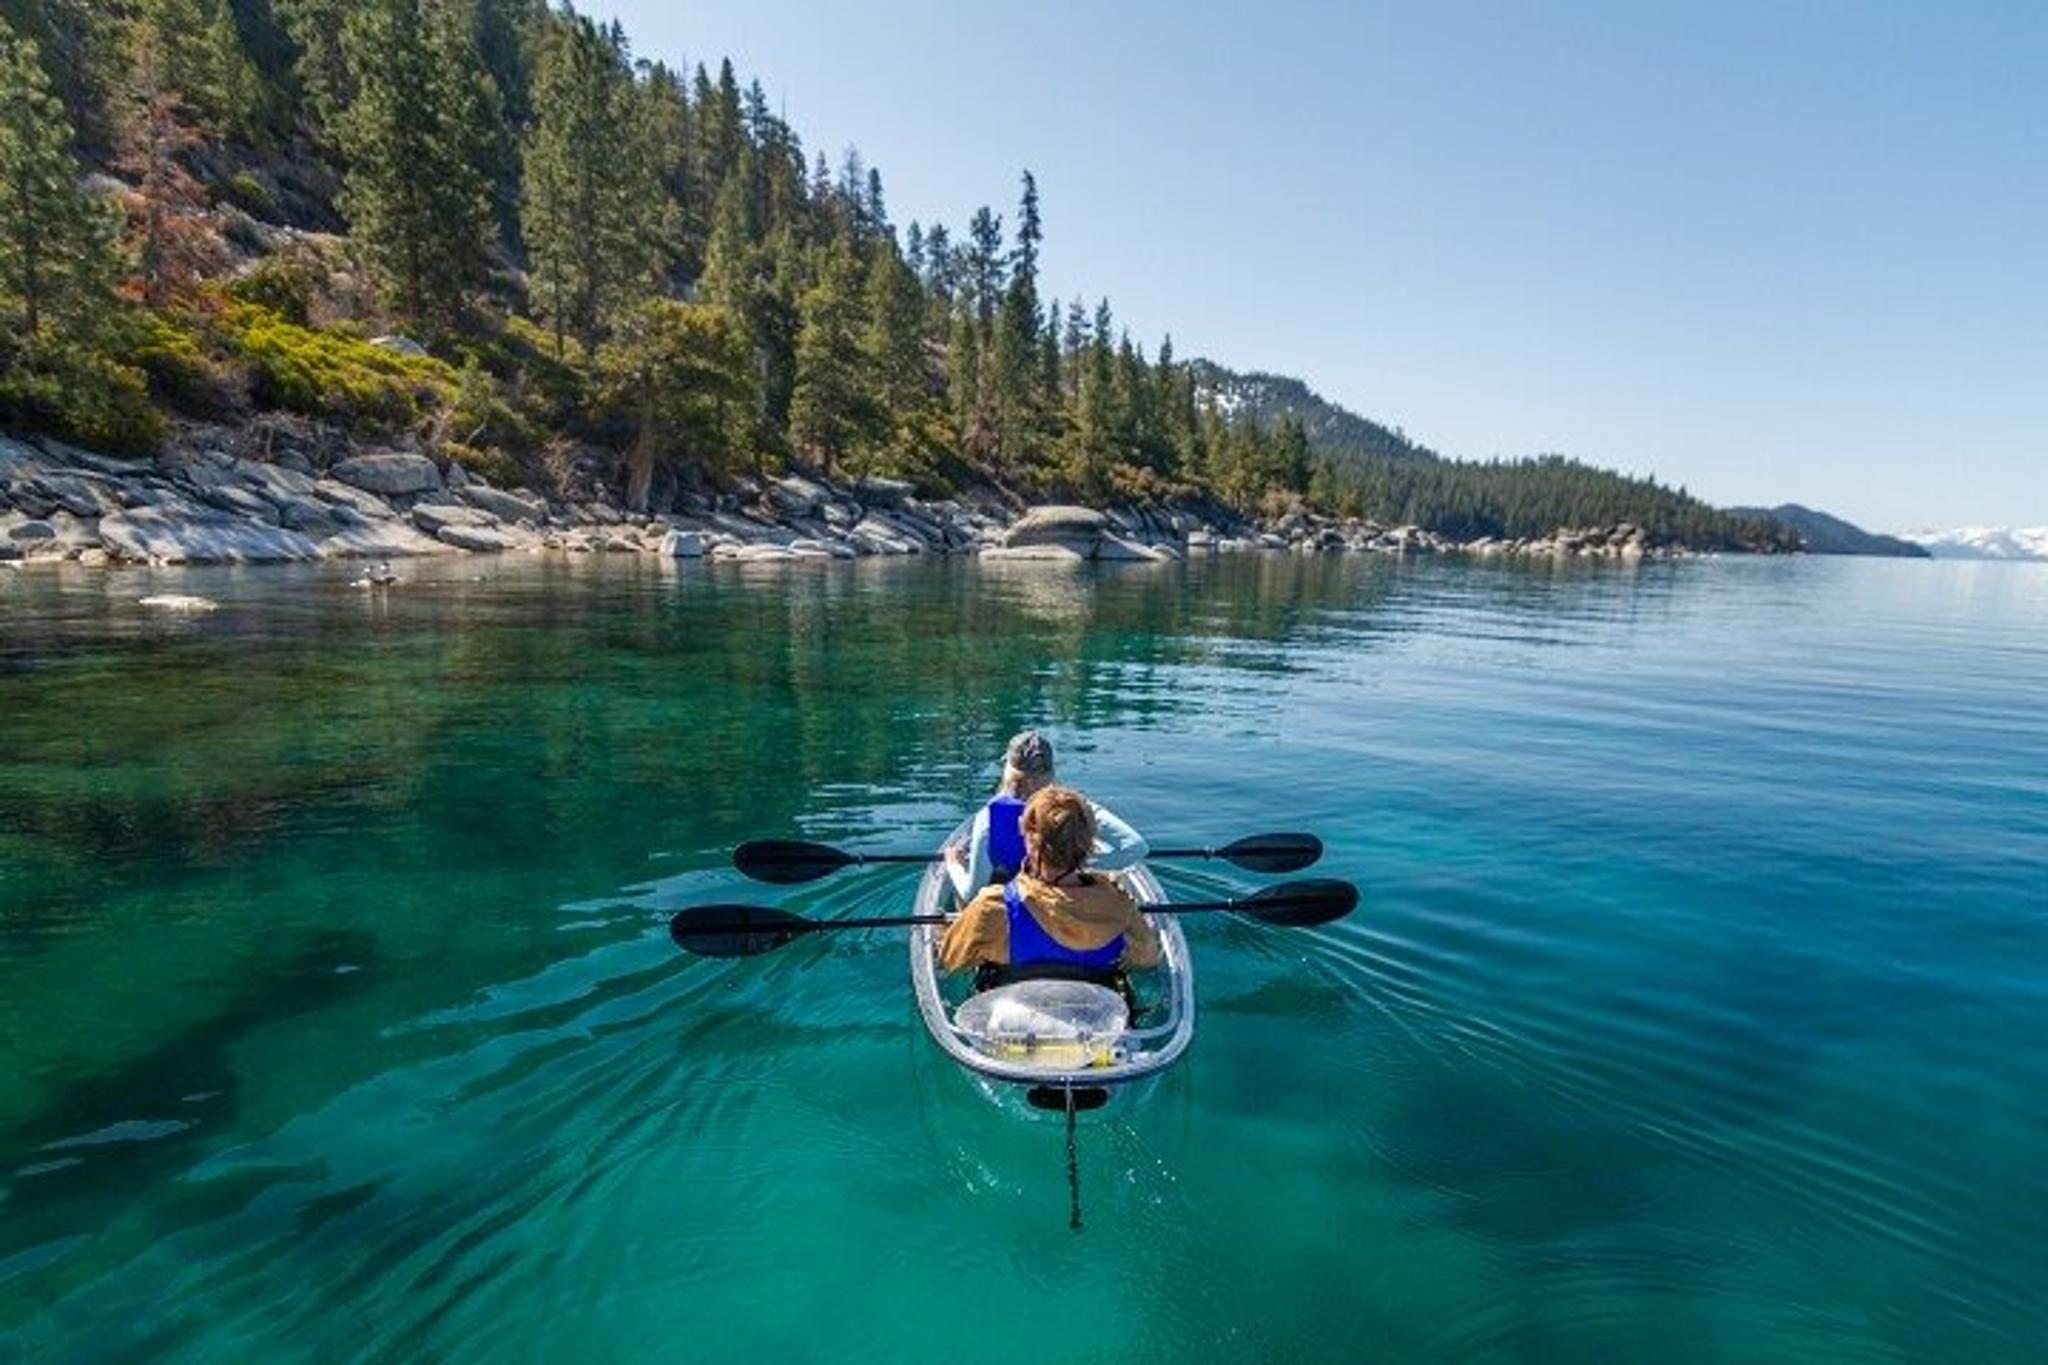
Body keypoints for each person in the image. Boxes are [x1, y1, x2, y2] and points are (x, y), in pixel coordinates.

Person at [935, 785, 1161, 981]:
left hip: (1011, 1023)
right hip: (1096, 1019)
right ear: (1088, 843)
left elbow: (949, 960)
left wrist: (948, 925)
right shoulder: (1121, 908)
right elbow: (1147, 961)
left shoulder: (994, 906)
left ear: (1029, 842)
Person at [943, 729, 1146, 900]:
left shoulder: (987, 820)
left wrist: (953, 864)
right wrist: (1078, 863)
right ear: (1051, 771)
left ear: (1008, 770)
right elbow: (1135, 847)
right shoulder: (1075, 809)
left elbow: (973, 893)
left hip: (1015, 910)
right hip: (1066, 901)